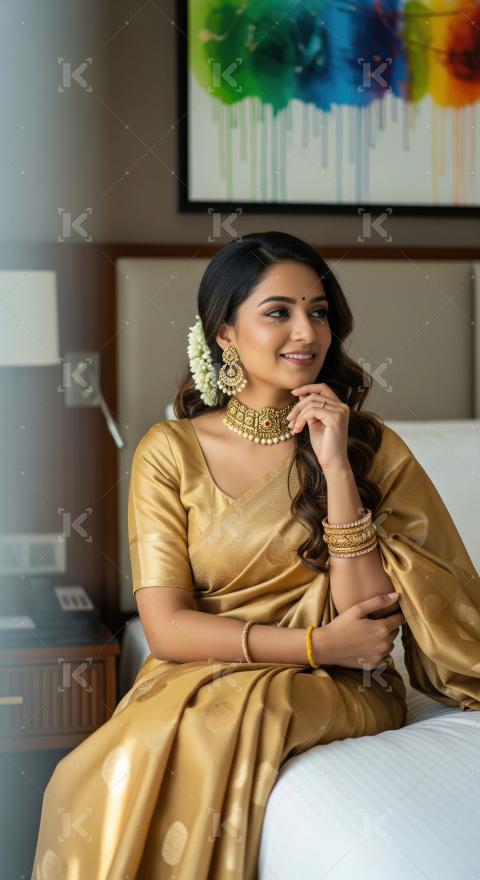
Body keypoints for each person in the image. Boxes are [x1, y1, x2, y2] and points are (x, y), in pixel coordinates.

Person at [32, 231, 480, 879]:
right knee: (88, 768)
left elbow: (368, 625)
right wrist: (314, 646)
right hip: (202, 671)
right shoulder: (170, 452)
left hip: (342, 687)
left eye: (319, 311)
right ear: (224, 335)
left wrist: (337, 468)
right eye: (279, 312)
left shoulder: (369, 446)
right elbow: (165, 628)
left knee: (230, 723)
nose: (307, 331)